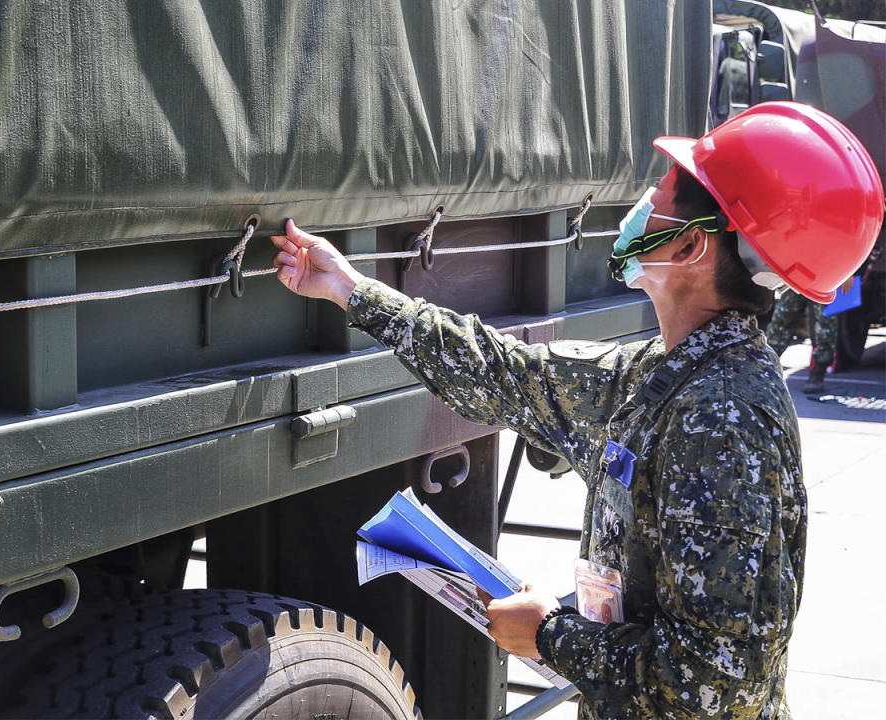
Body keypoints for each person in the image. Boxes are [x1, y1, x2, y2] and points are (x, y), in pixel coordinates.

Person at [271, 102, 883, 719]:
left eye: (664, 190)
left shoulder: (720, 420)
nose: (645, 199)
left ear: (694, 245)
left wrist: (551, 635)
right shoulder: (661, 373)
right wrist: (350, 289)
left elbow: (716, 679)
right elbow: (505, 371)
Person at [765, 281, 851, 394]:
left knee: (824, 324)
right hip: (798, 273)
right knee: (782, 319)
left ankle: (818, 373)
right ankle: (766, 366)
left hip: (825, 275)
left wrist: (849, 274)